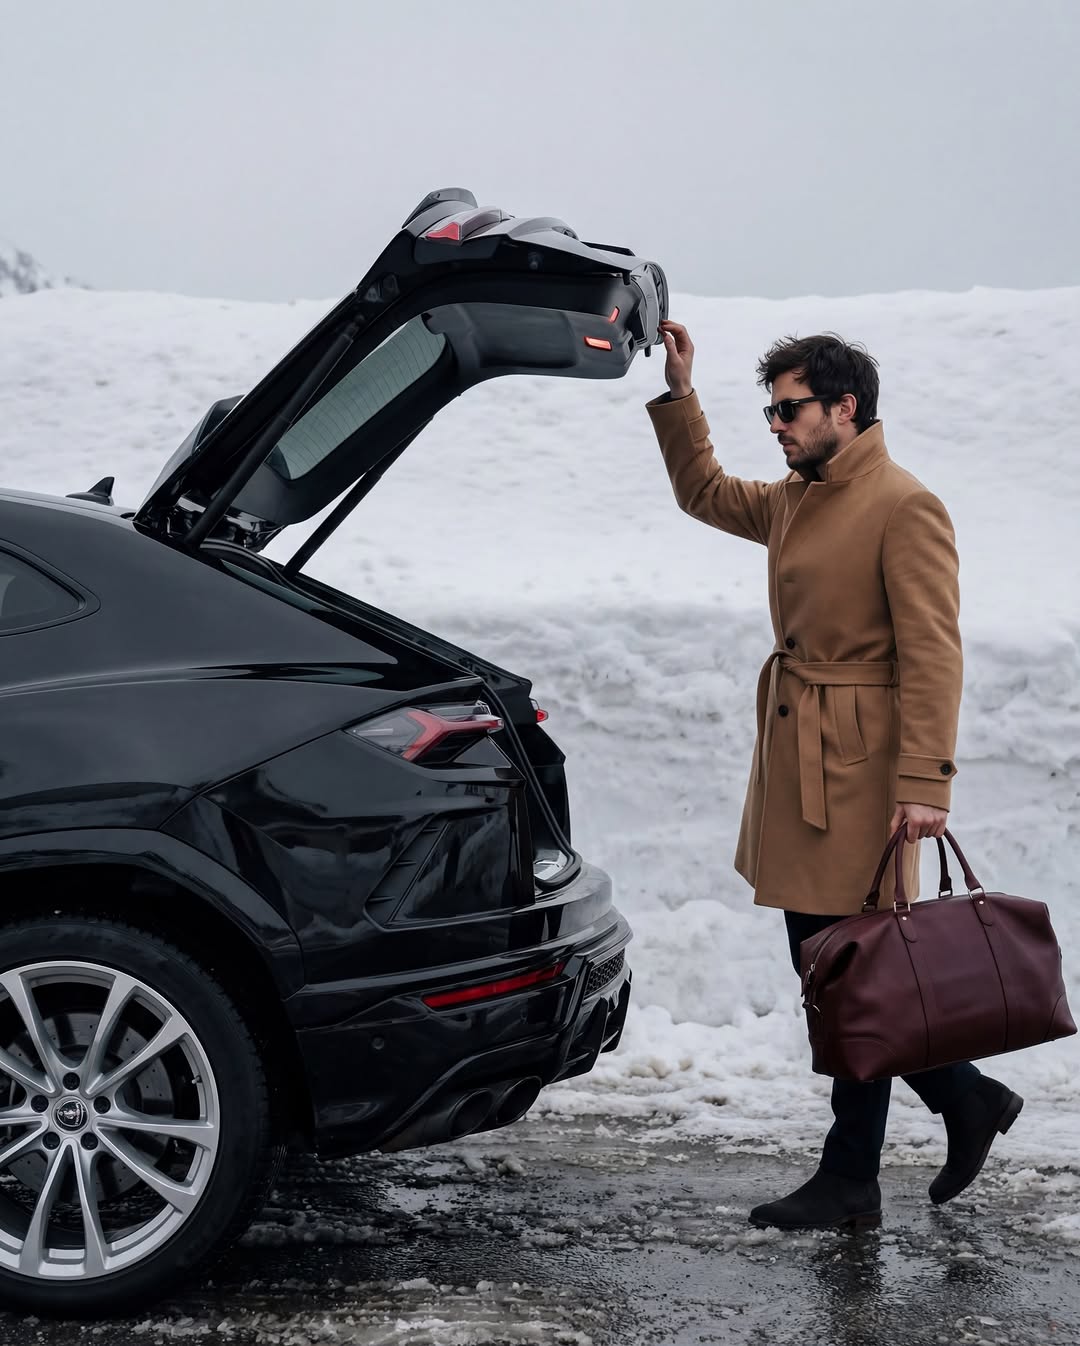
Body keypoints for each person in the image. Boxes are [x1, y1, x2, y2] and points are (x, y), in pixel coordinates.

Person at [647, 321, 1022, 1230]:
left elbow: (935, 652)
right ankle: (954, 1107)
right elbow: (701, 490)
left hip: (858, 773)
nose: (775, 424)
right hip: (800, 758)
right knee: (839, 973)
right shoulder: (795, 498)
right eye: (769, 410)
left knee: (852, 972)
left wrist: (927, 783)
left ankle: (863, 1167)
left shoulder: (904, 505)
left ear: (845, 408)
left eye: (790, 408)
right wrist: (681, 394)